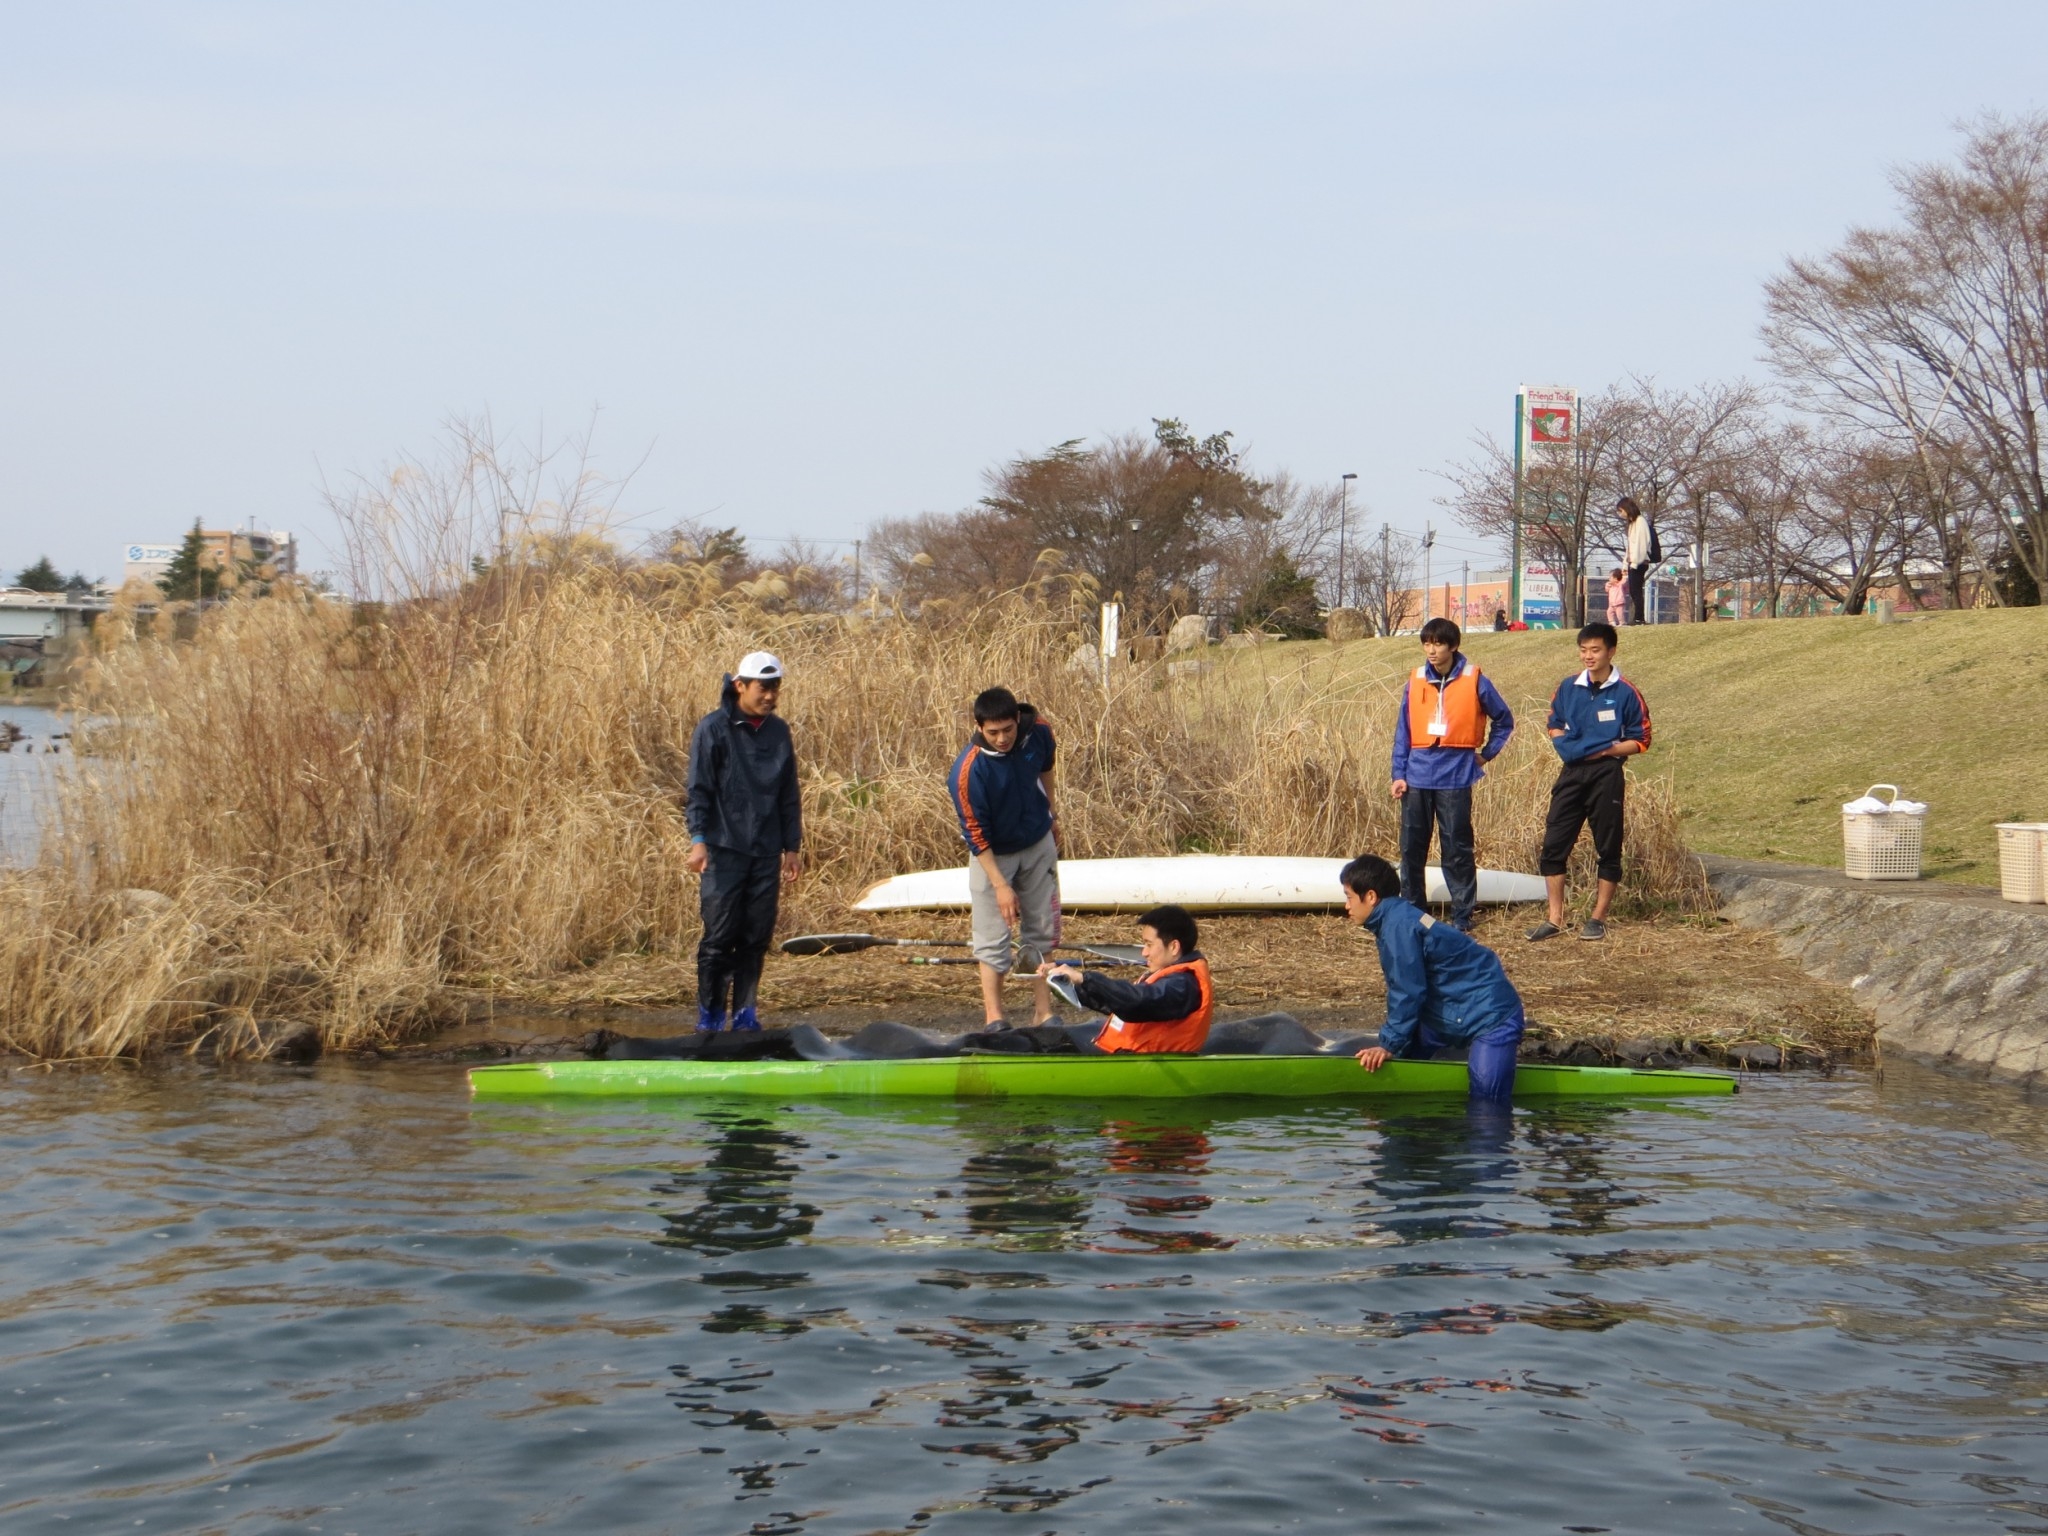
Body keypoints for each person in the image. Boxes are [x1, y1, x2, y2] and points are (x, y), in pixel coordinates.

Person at [1343, 854, 1526, 1102]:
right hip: (1451, 1010)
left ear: (1371, 897)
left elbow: (1407, 991)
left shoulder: (1398, 926)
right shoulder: (1397, 917)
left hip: (1490, 1016)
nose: (1347, 906)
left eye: (1349, 897)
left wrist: (1387, 1044)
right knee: (1405, 1057)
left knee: (1486, 1102)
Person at [685, 651, 803, 1032]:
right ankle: (710, 1017)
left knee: (755, 937)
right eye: (762, 688)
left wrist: (792, 847)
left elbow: (789, 793)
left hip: (766, 851)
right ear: (740, 686)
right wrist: (698, 840)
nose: (770, 696)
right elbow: (699, 790)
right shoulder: (713, 729)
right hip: (723, 850)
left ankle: (744, 1015)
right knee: (720, 937)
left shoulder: (778, 731)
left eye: (775, 688)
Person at [1527, 623, 1652, 943]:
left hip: (1606, 775)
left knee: (1608, 847)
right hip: (1571, 773)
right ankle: (1555, 919)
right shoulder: (1568, 687)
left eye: (1595, 650)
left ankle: (1597, 919)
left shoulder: (1626, 692)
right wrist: (1564, 744)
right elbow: (1554, 722)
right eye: (1583, 650)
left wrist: (1606, 750)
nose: (1588, 656)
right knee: (1553, 846)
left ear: (1611, 651)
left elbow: (1641, 740)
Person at [1389, 617, 1514, 932]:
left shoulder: (1475, 679)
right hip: (1416, 775)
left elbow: (1504, 719)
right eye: (1427, 643)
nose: (1431, 650)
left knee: (1457, 847)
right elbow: (1403, 731)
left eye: (1438, 644)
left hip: (1455, 775)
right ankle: (1413, 913)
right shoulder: (1416, 679)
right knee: (1411, 848)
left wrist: (1486, 754)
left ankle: (1462, 915)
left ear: (1453, 646)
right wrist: (1398, 773)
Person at [949, 686, 1060, 1028]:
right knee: (992, 939)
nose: (1002, 739)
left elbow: (1046, 767)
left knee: (1042, 930)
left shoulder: (1038, 730)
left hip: (1037, 843)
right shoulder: (968, 771)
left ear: (1017, 719)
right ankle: (994, 1018)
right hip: (992, 855)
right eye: (993, 732)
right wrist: (1000, 886)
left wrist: (1053, 814)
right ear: (979, 728)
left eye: (1008, 730)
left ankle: (1043, 1013)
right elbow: (975, 834)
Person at [1042, 904, 1211, 1053]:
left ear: (1174, 947)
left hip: (1146, 1062)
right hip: (1126, 1053)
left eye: (1149, 944)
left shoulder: (1182, 985)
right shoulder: (1171, 978)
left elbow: (1135, 1001)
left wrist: (1084, 978)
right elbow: (1117, 1003)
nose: (1144, 953)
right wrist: (1070, 986)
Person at [1619, 496, 1654, 625]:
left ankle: (1639, 618)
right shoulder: (1632, 524)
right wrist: (1625, 564)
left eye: (1621, 511)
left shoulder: (1640, 522)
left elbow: (1641, 544)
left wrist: (1634, 562)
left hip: (1639, 562)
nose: (1621, 514)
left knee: (1636, 591)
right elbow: (1630, 546)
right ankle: (1638, 618)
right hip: (1633, 562)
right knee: (1634, 591)